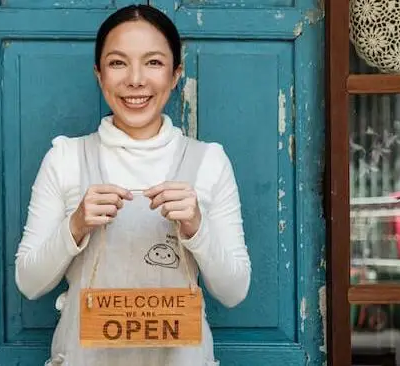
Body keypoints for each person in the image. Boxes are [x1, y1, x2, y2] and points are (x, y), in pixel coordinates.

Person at [15, 4, 251, 366]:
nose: (136, 79)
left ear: (176, 75)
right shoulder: (65, 159)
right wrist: (76, 225)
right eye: (118, 63)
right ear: (99, 74)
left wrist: (197, 227)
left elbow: (234, 292)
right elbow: (29, 283)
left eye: (154, 62)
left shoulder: (209, 162)